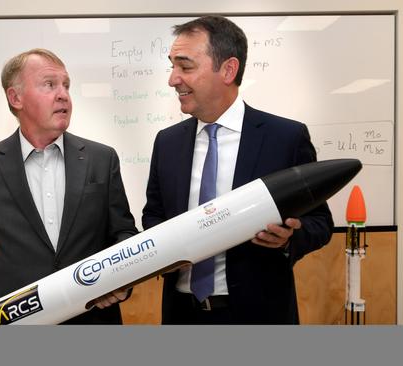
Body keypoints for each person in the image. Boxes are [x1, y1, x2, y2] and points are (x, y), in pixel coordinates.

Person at [142, 15, 334, 324]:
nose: (173, 79)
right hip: (182, 315)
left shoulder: (284, 138)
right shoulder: (167, 143)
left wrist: (287, 240)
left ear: (228, 69)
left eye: (186, 66)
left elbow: (320, 223)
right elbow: (154, 214)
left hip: (258, 316)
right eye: (172, 66)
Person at [0, 48, 138, 324]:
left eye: (66, 86)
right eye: (50, 85)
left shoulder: (102, 158)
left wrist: (120, 281)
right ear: (16, 98)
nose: (63, 94)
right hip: (17, 323)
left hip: (93, 318)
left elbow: (123, 233)